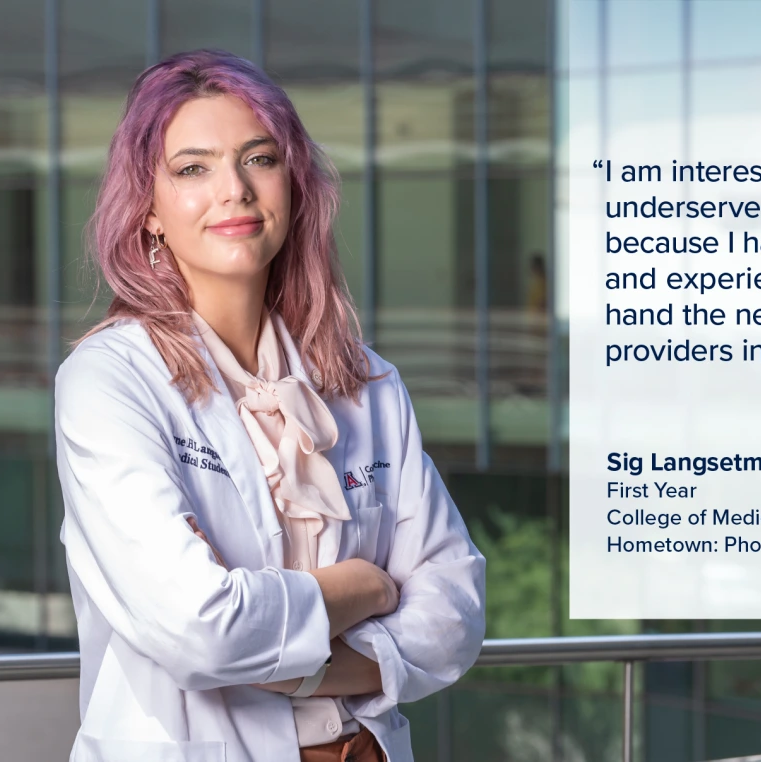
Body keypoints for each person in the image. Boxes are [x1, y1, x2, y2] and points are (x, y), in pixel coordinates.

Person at [54, 50, 486, 762]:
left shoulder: (367, 382)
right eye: (193, 168)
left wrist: (308, 665)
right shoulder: (108, 382)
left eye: (259, 159)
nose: (234, 190)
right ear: (150, 210)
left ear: (294, 185)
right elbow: (203, 627)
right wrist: (366, 586)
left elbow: (456, 610)